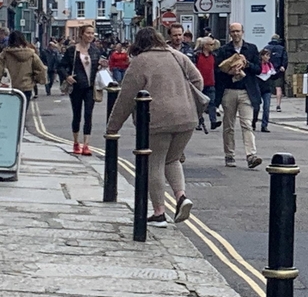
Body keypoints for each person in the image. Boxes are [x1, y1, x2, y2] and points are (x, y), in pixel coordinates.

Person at [106, 28, 202, 228]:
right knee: (173, 159)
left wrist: (113, 127)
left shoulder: (141, 62)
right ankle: (181, 196)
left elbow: (126, 98)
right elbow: (198, 81)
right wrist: (183, 97)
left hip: (157, 120)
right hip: (187, 118)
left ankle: (159, 213)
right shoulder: (178, 56)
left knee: (155, 163)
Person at [214, 22, 262, 169]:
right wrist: (229, 71)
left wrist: (246, 64)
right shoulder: (223, 50)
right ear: (230, 33)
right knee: (229, 126)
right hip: (229, 90)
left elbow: (259, 69)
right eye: (233, 31)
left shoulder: (252, 49)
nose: (235, 34)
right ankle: (229, 155)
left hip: (246, 91)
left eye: (238, 31)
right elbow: (216, 71)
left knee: (247, 124)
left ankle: (251, 155)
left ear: (243, 32)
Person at [58, 24, 105, 156]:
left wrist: (102, 65)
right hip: (77, 86)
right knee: (77, 115)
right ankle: (75, 142)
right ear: (81, 34)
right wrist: (67, 77)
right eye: (88, 33)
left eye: (92, 33)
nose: (91, 36)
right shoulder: (72, 50)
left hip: (90, 87)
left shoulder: (95, 51)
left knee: (88, 115)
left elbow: (96, 68)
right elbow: (61, 66)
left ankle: (86, 145)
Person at [0, 31, 47, 101]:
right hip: (26, 87)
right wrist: (35, 80)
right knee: (22, 110)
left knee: (8, 110)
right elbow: (41, 69)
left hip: (8, 88)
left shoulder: (4, 55)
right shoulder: (31, 54)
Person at [194, 36, 220, 131]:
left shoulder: (214, 56)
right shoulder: (197, 55)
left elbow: (216, 69)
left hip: (210, 83)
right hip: (199, 84)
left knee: (212, 103)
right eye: (210, 44)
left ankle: (213, 121)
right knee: (200, 104)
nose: (212, 46)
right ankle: (199, 122)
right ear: (205, 45)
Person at [265, 34, 288, 111]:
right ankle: (278, 105)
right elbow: (285, 59)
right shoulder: (281, 48)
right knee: (278, 88)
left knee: (267, 90)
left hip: (268, 70)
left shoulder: (266, 48)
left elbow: (262, 59)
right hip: (278, 71)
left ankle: (266, 105)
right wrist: (283, 66)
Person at [257, 48, 276, 132]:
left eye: (269, 55)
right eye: (266, 55)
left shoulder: (270, 65)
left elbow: (274, 76)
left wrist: (281, 70)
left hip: (267, 90)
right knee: (256, 107)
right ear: (262, 56)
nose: (268, 57)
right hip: (257, 89)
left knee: (266, 107)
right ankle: (253, 121)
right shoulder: (258, 65)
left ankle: (264, 125)